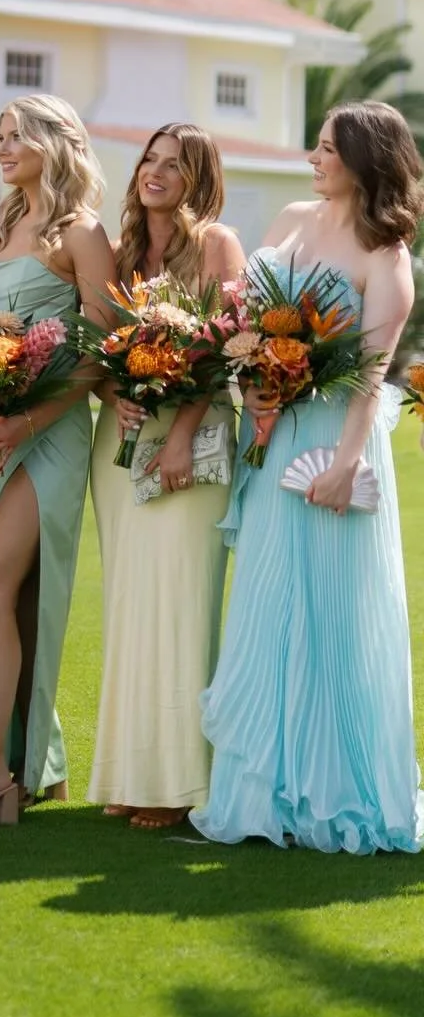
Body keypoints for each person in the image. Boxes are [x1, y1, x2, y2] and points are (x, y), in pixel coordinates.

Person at [192, 101, 424, 854]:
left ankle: (332, 794)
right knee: (267, 602)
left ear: (364, 159)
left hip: (330, 447)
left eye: (327, 147)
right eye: (317, 144)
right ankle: (261, 793)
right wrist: (252, 385)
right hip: (273, 434)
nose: (313, 156)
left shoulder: (385, 255)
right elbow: (244, 322)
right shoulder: (291, 215)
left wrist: (347, 465)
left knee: (331, 613)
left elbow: (371, 373)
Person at [0, 94, 114, 830]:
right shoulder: (4, 224)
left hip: (51, 435)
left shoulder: (82, 232)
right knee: (10, 599)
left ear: (57, 141)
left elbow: (103, 348)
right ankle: (34, 768)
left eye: (18, 135)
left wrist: (31, 415)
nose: (3, 146)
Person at [88, 125, 245, 829]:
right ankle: (131, 772)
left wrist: (179, 436)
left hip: (193, 443)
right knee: (129, 610)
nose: (154, 172)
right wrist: (111, 396)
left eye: (173, 164)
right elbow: (105, 355)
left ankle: (180, 782)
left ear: (198, 176)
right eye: (149, 159)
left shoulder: (217, 243)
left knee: (182, 606)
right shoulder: (121, 253)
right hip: (119, 447)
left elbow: (217, 356)